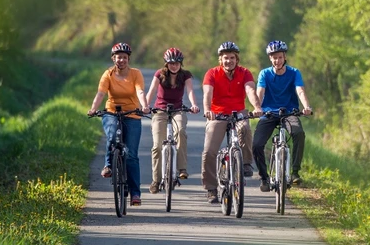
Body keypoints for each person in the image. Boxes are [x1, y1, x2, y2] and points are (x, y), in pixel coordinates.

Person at [87, 42, 150, 206]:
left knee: (131, 155)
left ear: (128, 59)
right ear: (113, 58)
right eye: (118, 57)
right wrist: (93, 109)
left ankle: (135, 193)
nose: (121, 60)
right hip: (112, 112)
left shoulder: (135, 74)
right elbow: (101, 93)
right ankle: (108, 165)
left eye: (124, 57)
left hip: (132, 114)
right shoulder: (108, 74)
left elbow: (140, 91)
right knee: (113, 134)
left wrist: (144, 106)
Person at [201, 41, 262, 204]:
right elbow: (207, 93)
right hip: (218, 114)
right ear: (220, 59)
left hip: (238, 112)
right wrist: (207, 110)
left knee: (245, 129)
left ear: (237, 59)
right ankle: (211, 188)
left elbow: (250, 90)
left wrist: (256, 107)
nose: (229, 61)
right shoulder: (212, 73)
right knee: (209, 151)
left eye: (232, 58)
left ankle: (246, 163)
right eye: (226, 58)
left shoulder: (245, 73)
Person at [252, 40, 313, 192]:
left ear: (285, 57)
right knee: (257, 145)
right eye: (274, 57)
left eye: (280, 57)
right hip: (268, 113)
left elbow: (300, 90)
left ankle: (295, 172)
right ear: (270, 58)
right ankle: (264, 177)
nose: (277, 60)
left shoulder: (294, 72)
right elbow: (260, 92)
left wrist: (306, 107)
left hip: (289, 112)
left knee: (298, 133)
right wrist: (257, 108)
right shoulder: (265, 74)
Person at [144, 47, 200, 194]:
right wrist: (145, 106)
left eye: (177, 63)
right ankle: (156, 180)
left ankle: (182, 168)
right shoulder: (159, 74)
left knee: (180, 131)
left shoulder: (185, 75)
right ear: (166, 64)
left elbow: (190, 91)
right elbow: (152, 91)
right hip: (160, 111)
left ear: (181, 63)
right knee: (157, 146)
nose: (174, 66)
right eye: (171, 63)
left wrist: (194, 104)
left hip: (178, 110)